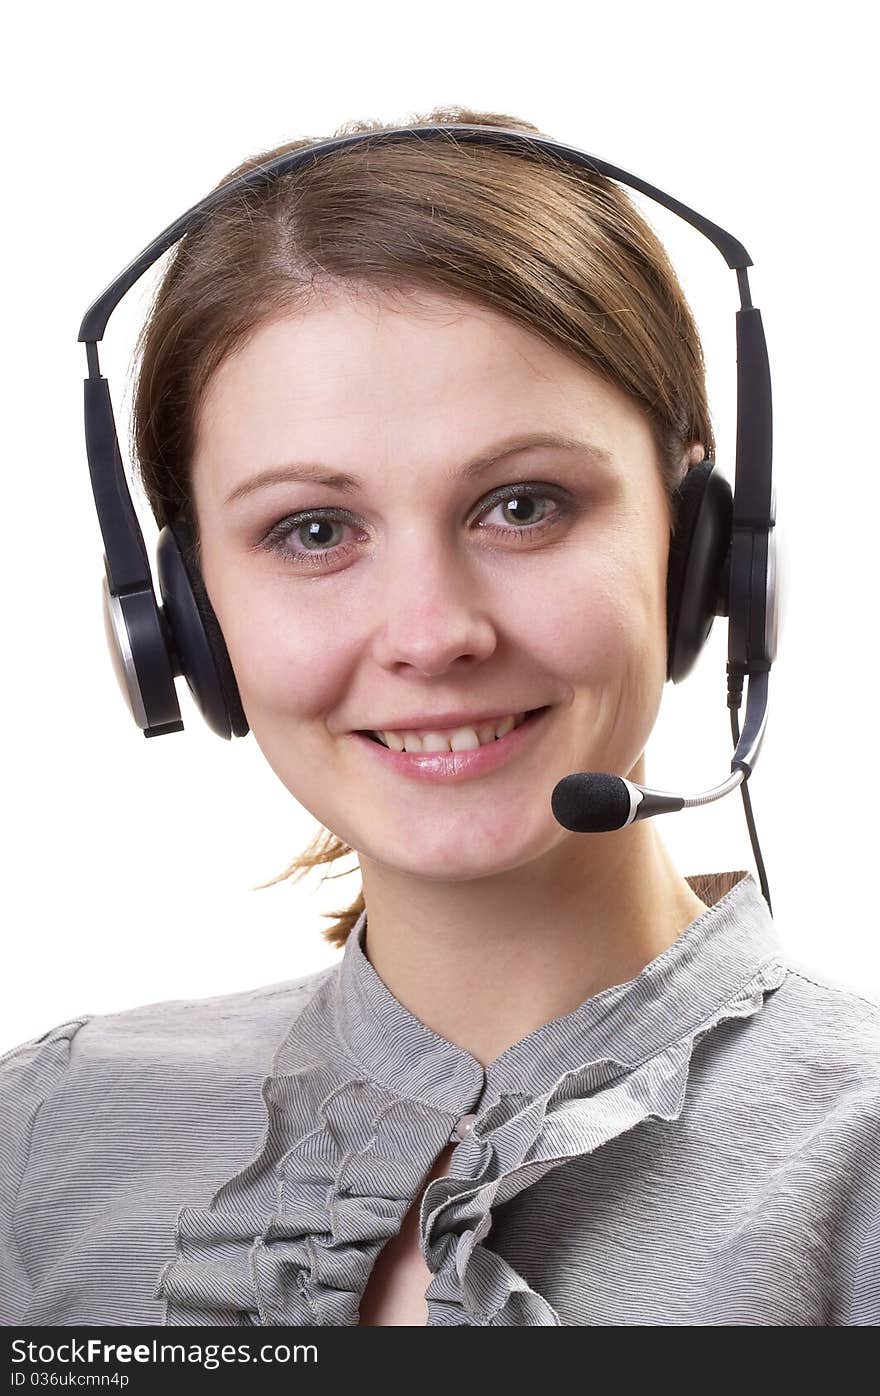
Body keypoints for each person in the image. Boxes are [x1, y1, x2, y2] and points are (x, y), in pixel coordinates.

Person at [1, 106, 878, 1328]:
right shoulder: (40, 1144)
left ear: (704, 554)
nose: (431, 631)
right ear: (183, 623)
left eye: (522, 505)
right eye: (314, 531)